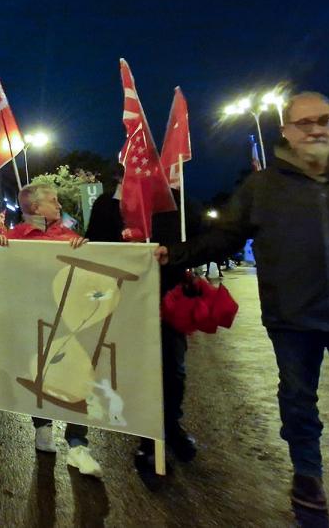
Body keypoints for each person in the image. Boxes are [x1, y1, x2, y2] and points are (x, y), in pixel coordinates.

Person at [155, 92, 329, 522]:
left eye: (325, 120)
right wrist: (171, 255)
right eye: (304, 122)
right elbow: (224, 238)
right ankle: (308, 480)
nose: (315, 129)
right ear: (285, 130)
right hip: (293, 321)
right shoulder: (261, 188)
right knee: (299, 406)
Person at [86, 181, 199, 476]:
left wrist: (169, 252)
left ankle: (171, 426)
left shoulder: (173, 200)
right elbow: (94, 246)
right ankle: (148, 438)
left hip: (167, 299)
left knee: (173, 369)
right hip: (125, 301)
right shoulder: (106, 205)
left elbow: (196, 239)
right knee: (138, 371)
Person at [0, 184, 100, 477]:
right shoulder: (11, 239)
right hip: (30, 318)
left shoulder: (69, 238)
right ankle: (42, 429)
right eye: (53, 201)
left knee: (76, 376)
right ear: (36, 208)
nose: (59, 206)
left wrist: (84, 249)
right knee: (36, 374)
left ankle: (78, 445)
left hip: (67, 321)